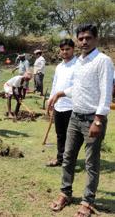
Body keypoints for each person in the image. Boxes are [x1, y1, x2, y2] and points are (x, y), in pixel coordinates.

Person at [48, 24, 114, 217]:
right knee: (68, 157)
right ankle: (65, 193)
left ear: (96, 39)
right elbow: (77, 88)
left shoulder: (103, 61)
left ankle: (87, 201)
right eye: (81, 38)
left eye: (88, 38)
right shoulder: (79, 61)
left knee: (91, 163)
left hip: (93, 119)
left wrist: (99, 120)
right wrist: (61, 93)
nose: (84, 41)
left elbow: (106, 93)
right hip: (75, 117)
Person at [46, 39, 77, 167]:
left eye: (67, 49)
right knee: (60, 134)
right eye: (62, 49)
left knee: (72, 137)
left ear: (73, 49)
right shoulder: (59, 67)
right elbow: (55, 85)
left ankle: (70, 161)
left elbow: (78, 87)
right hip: (59, 106)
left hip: (72, 106)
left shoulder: (78, 65)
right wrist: (51, 99)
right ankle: (60, 159)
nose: (65, 52)